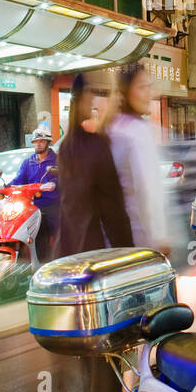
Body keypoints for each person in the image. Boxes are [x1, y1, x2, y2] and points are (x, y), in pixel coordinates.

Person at [53, 74, 133, 257]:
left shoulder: (66, 146)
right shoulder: (95, 146)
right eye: (90, 93)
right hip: (92, 251)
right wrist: (128, 251)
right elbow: (113, 209)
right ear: (82, 99)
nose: (93, 99)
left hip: (67, 249)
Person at [105, 64, 170, 256]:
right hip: (139, 239)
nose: (149, 93)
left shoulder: (113, 127)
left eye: (149, 86)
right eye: (142, 87)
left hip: (114, 239)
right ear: (125, 92)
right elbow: (147, 190)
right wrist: (159, 237)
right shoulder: (137, 131)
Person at [11, 123, 58, 261]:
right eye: (36, 142)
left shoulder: (57, 160)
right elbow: (19, 179)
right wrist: (4, 187)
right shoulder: (28, 162)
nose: (38, 144)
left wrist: (53, 184)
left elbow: (62, 179)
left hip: (52, 204)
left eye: (41, 141)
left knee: (58, 233)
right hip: (32, 205)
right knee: (30, 234)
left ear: (48, 143)